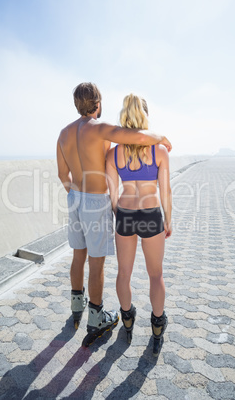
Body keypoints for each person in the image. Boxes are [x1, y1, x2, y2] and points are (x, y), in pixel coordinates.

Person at [57, 82, 172, 346]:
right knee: (107, 264)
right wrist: (161, 138)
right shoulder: (101, 129)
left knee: (85, 257)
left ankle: (84, 309)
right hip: (116, 205)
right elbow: (141, 139)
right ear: (97, 103)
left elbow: (64, 176)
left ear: (77, 104)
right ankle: (103, 318)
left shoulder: (65, 134)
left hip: (79, 199)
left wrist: (78, 196)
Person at [106, 94, 172, 356]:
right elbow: (165, 192)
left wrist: (120, 215)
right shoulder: (160, 150)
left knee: (124, 274)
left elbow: (112, 195)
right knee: (156, 275)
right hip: (151, 213)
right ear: (145, 116)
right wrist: (168, 219)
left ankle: (127, 319)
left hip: (125, 213)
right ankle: (157, 326)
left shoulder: (113, 153)